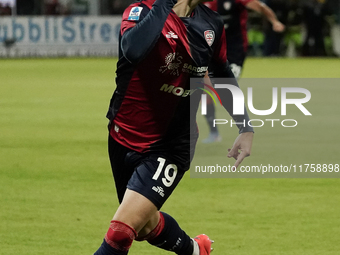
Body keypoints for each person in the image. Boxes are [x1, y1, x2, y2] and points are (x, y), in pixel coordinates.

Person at [93, 0, 254, 254]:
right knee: (144, 227)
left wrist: (245, 126)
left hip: (172, 144)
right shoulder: (142, 11)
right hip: (123, 135)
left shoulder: (211, 23)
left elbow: (222, 74)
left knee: (121, 232)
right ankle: (195, 250)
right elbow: (133, 51)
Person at [202, 0, 285, 143]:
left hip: (235, 51)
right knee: (206, 90)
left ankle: (245, 127)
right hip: (212, 50)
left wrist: (274, 21)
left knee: (224, 87)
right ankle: (214, 133)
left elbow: (260, 6)